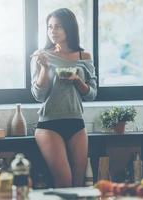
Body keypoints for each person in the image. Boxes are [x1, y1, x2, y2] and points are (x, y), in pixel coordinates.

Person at [30, 8, 97, 188]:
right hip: (49, 125)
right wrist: (44, 68)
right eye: (50, 27)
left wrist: (77, 81)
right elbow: (38, 95)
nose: (53, 31)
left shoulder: (84, 56)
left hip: (76, 123)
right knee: (64, 182)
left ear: (69, 29)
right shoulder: (41, 56)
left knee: (78, 184)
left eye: (58, 27)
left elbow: (91, 94)